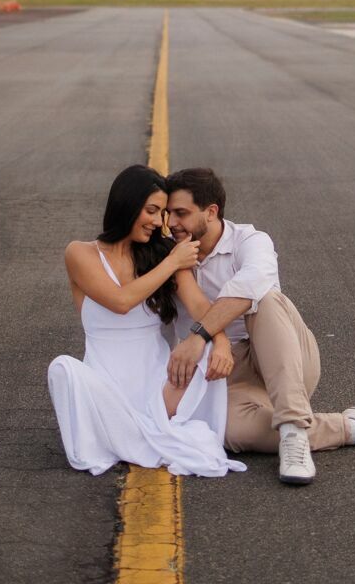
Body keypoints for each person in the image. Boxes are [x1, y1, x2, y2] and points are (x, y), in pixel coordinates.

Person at [163, 167, 355, 485]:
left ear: (211, 211)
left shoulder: (250, 240)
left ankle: (293, 429)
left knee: (263, 299)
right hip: (225, 377)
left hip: (281, 357)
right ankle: (351, 428)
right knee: (230, 433)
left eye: (181, 213)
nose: (172, 222)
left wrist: (199, 336)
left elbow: (251, 284)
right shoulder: (171, 256)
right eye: (167, 214)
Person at [47, 164, 246, 478]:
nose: (158, 222)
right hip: (107, 388)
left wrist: (220, 343)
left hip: (159, 386)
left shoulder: (163, 253)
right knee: (63, 368)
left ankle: (144, 429)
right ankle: (132, 431)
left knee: (202, 347)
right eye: (152, 211)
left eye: (162, 213)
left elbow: (199, 305)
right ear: (127, 204)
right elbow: (121, 301)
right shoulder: (81, 254)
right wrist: (171, 262)